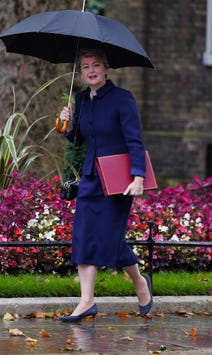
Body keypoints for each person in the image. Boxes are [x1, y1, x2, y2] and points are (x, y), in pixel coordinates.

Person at [57, 48, 153, 323]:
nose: (90, 70)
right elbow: (78, 139)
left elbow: (134, 140)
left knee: (110, 238)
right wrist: (67, 124)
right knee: (85, 234)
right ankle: (86, 301)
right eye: (85, 66)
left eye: (96, 65)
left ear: (106, 68)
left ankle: (139, 282)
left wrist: (139, 178)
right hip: (90, 177)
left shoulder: (123, 99)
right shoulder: (82, 99)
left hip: (118, 179)